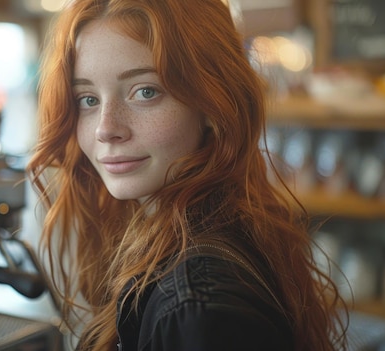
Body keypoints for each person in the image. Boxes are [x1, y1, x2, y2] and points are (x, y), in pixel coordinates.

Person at [27, 0, 348, 350]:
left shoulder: (197, 307)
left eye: (145, 92)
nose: (106, 129)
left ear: (213, 105)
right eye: (87, 99)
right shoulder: (212, 228)